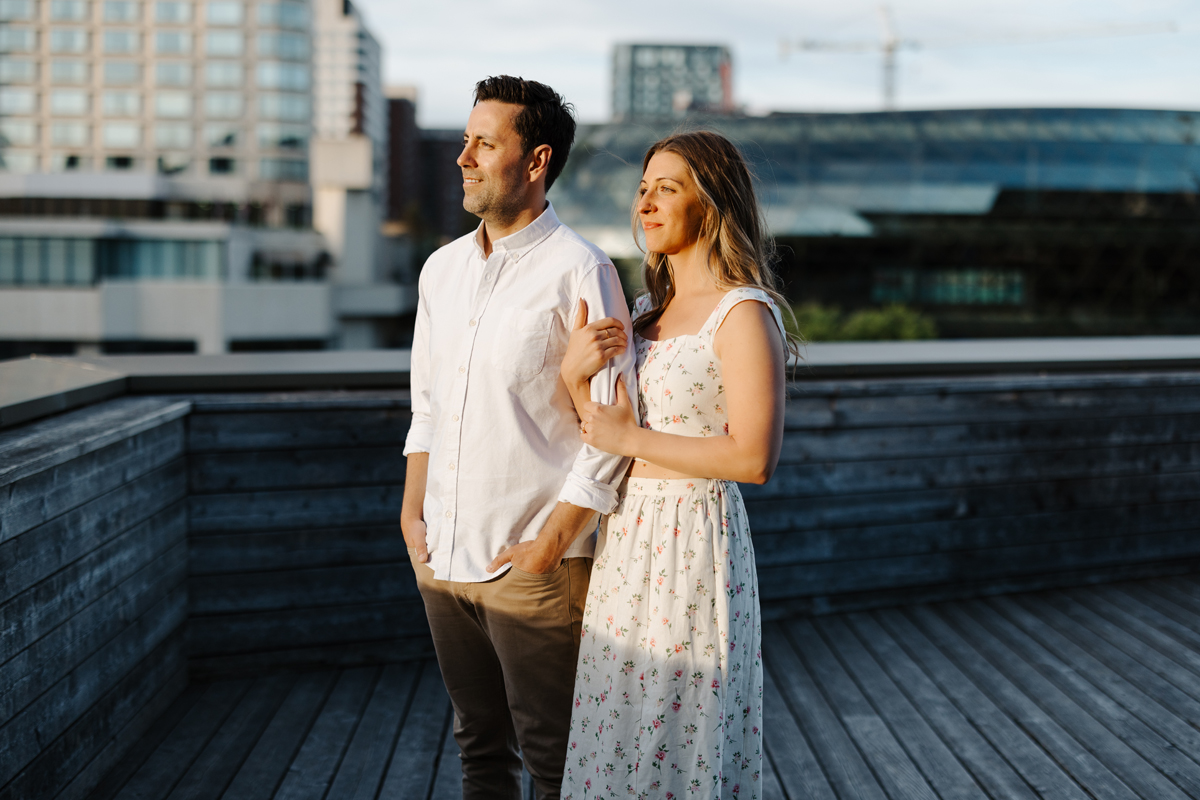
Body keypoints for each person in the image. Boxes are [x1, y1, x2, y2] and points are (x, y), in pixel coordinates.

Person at [401, 76, 637, 800]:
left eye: (485, 143)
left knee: (555, 757)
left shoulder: (582, 269)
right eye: (467, 140)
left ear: (535, 162)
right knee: (478, 747)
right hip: (442, 551)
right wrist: (413, 517)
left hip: (535, 563)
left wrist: (546, 546)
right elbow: (428, 406)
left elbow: (612, 432)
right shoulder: (440, 271)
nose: (465, 156)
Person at [558, 131, 797, 800]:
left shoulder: (743, 313)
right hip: (627, 540)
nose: (646, 204)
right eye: (642, 190)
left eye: (667, 188)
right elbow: (604, 433)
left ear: (712, 202)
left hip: (692, 540)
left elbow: (753, 458)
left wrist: (628, 437)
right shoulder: (642, 315)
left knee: (679, 732)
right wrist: (577, 379)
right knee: (617, 725)